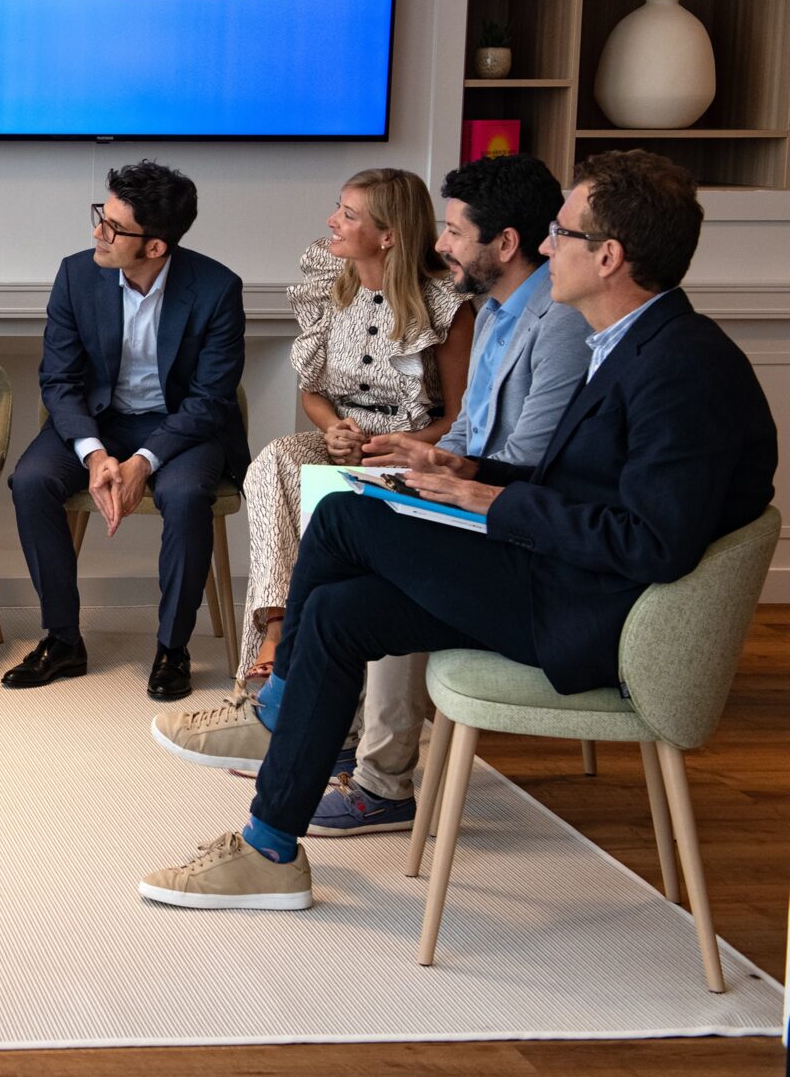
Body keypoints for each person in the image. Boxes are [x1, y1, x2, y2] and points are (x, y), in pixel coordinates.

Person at [141, 150, 778, 911]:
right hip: (556, 577)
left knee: (342, 516)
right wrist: (467, 476)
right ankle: (270, 847)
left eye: (562, 234)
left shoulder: (684, 370)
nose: (546, 247)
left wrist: (492, 502)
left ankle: (276, 714)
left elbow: (652, 543)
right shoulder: (631, 344)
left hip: (589, 613)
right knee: (339, 613)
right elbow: (586, 485)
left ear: (608, 257)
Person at [311, 153, 590, 835]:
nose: (440, 245)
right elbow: (469, 427)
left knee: (378, 547)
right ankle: (333, 725)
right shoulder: (496, 311)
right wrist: (427, 455)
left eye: (456, 232)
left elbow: (526, 464)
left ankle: (381, 782)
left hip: (518, 527)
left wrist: (446, 479)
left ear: (506, 243)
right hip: (475, 494)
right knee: (343, 504)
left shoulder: (559, 322)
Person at [3, 159, 247, 701]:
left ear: (155, 246)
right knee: (32, 482)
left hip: (180, 426)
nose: (98, 232)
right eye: (101, 216)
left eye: (113, 227)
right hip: (99, 421)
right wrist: (94, 453)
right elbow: (59, 380)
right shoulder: (76, 275)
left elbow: (210, 400)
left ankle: (172, 648)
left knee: (186, 495)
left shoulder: (216, 289)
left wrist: (144, 461)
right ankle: (63, 640)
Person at [237, 168, 473, 685]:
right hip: (342, 441)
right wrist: (333, 430)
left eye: (348, 214)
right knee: (276, 459)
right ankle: (278, 626)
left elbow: (459, 419)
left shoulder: (446, 306)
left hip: (411, 451)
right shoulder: (330, 285)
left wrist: (398, 445)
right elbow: (312, 392)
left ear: (388, 235)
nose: (332, 221)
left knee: (332, 498)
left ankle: (306, 660)